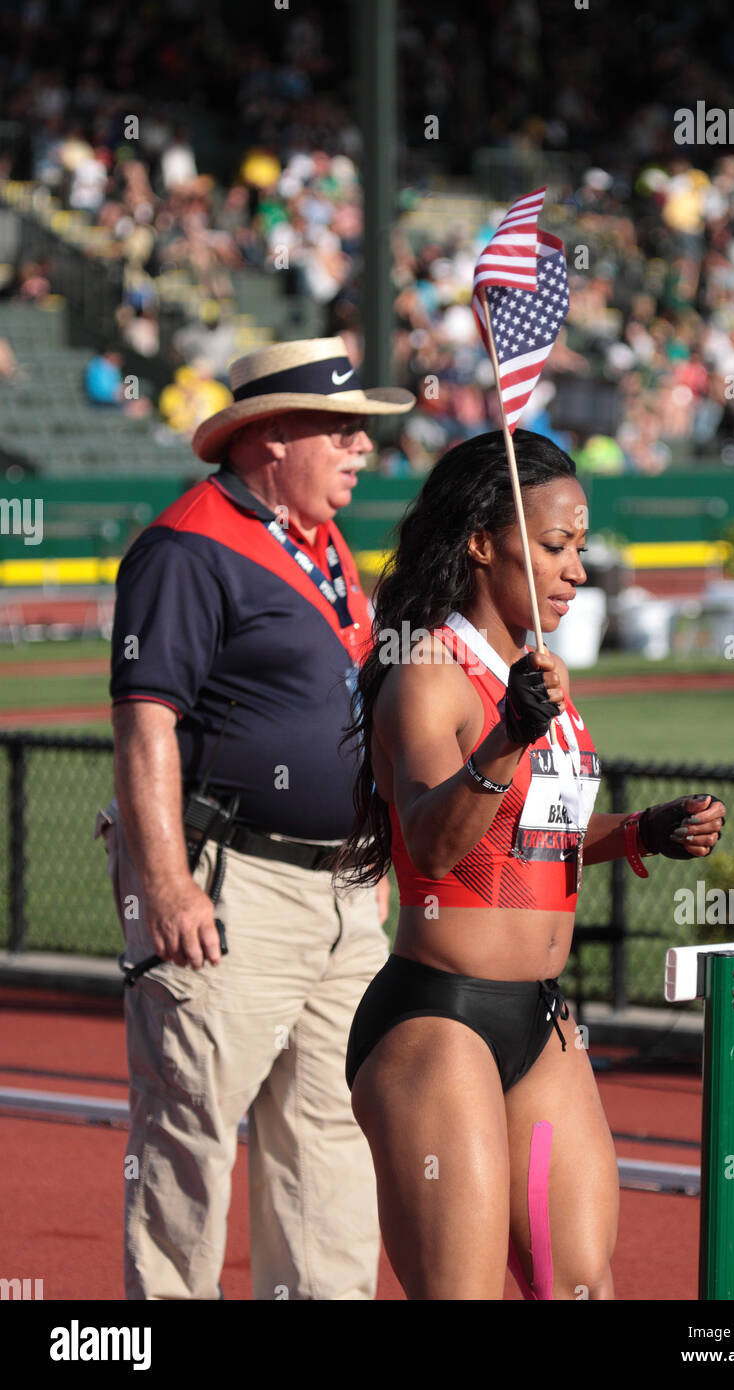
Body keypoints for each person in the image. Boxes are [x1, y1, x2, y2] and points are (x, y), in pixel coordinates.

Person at [335, 429, 726, 1300]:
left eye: (580, 548)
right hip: (439, 1024)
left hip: (542, 1023)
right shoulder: (430, 670)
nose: (576, 570)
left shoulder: (535, 672)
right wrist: (512, 730)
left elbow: (527, 836)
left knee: (580, 1287)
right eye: (555, 546)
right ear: (482, 542)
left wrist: (634, 832)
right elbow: (437, 847)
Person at [96, 337, 414, 1299]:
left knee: (330, 1136)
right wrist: (164, 882)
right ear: (272, 437)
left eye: (366, 434)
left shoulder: (322, 546)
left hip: (337, 893)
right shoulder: (188, 545)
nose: (364, 450)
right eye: (344, 430)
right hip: (228, 882)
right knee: (190, 1132)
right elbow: (144, 721)